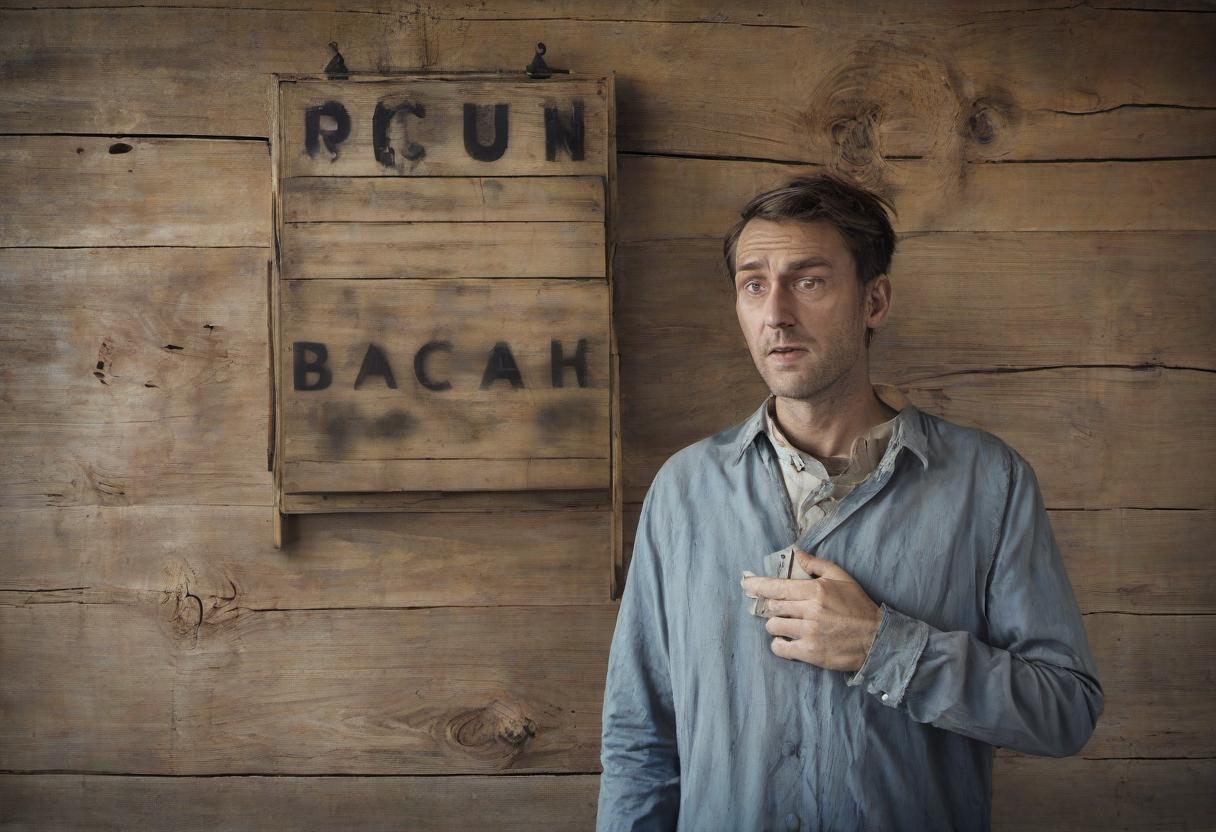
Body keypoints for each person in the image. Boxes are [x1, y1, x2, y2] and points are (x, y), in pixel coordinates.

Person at [596, 172, 1103, 831]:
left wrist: (882, 648)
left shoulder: (988, 483)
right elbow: (640, 739)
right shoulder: (683, 491)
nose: (776, 312)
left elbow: (1065, 709)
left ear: (875, 301)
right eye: (754, 283)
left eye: (808, 280)